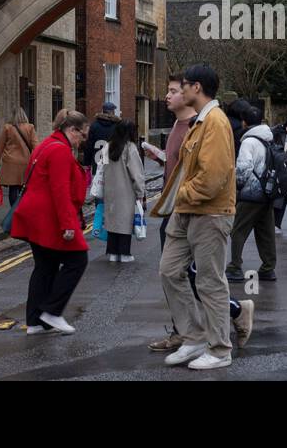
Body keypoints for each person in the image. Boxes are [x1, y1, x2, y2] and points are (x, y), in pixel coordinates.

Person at [145, 75, 253, 354]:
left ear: (196, 88)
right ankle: (192, 337)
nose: (175, 93)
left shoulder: (214, 122)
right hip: (184, 211)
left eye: (181, 87)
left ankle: (219, 349)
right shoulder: (198, 123)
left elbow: (212, 178)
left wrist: (179, 194)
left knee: (208, 281)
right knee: (169, 270)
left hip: (208, 212)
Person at [9, 110, 90, 334]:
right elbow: (60, 190)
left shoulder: (45, 144)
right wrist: (67, 225)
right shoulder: (61, 151)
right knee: (78, 260)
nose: (82, 141)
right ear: (71, 130)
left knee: (45, 267)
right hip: (49, 218)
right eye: (82, 135)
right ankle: (52, 312)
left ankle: (35, 321)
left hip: (34, 216)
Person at [228, 104, 277, 283]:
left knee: (238, 230)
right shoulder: (269, 138)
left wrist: (237, 187)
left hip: (251, 193)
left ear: (244, 122)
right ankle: (268, 268)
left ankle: (234, 267)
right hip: (268, 191)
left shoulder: (248, 141)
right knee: (266, 232)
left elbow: (243, 168)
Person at [101, 119, 145, 262]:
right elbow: (137, 174)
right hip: (125, 191)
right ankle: (124, 253)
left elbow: (102, 169)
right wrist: (140, 193)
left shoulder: (107, 147)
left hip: (110, 190)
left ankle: (113, 252)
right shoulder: (130, 147)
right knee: (125, 221)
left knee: (112, 221)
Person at [0, 108, 39, 207]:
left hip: (10, 163)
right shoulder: (30, 128)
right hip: (25, 162)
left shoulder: (8, 128)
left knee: (13, 189)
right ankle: (22, 210)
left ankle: (13, 211)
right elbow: (36, 147)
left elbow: (0, 147)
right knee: (24, 188)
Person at [83, 102, 120, 171]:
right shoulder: (117, 126)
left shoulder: (94, 126)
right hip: (112, 161)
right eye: (114, 111)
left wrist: (86, 163)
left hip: (97, 161)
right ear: (112, 112)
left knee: (97, 180)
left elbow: (89, 145)